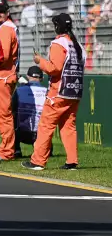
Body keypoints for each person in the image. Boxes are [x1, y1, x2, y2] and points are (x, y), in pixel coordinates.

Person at [23, 14, 84, 171]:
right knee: (68, 126)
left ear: (58, 27)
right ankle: (72, 162)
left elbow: (54, 69)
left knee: (45, 125)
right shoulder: (79, 46)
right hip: (74, 93)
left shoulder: (59, 43)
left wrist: (39, 61)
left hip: (59, 92)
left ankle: (38, 161)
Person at [0, 0, 20, 161]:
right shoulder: (5, 27)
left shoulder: (6, 29)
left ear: (8, 12)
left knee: (3, 115)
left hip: (2, 75)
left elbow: (4, 55)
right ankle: (3, 148)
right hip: (4, 75)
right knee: (0, 115)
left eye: (1, 10)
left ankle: (7, 151)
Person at [12, 66, 46, 158]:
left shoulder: (19, 90)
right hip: (41, 134)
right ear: (42, 78)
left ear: (27, 76)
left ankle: (16, 150)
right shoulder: (47, 92)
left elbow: (12, 109)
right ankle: (45, 150)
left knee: (12, 117)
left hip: (20, 134)